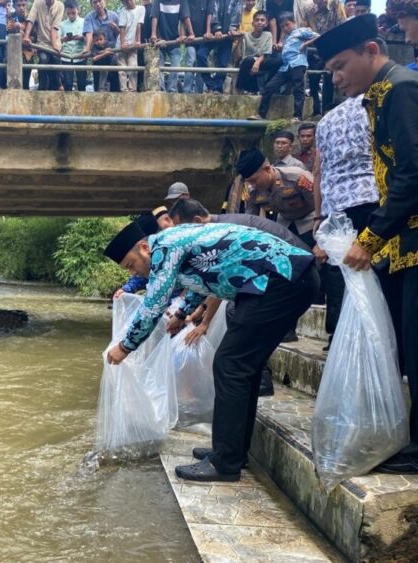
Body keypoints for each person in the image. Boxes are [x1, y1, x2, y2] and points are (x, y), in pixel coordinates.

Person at [104, 214, 318, 482]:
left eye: (131, 264)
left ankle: (225, 462)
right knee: (242, 367)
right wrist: (182, 314)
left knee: (231, 365)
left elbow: (153, 304)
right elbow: (200, 278)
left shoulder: (164, 248)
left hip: (281, 279)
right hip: (283, 280)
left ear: (144, 248)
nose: (133, 272)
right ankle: (232, 451)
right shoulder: (174, 242)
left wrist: (125, 347)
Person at [315, 12, 418, 473]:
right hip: (402, 243)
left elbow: (412, 175)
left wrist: (370, 238)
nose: (336, 78)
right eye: (331, 70)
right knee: (401, 342)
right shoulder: (377, 98)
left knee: (415, 346)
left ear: (371, 51)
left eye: (341, 65)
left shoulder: (401, 91)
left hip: (410, 240)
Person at [168, 197, 311, 396]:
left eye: (180, 229)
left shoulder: (219, 235)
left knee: (231, 355)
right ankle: (256, 381)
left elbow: (219, 283)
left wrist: (204, 323)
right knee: (237, 320)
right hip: (283, 272)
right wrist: (187, 313)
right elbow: (210, 284)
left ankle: (258, 382)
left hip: (294, 272)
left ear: (198, 221)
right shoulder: (216, 229)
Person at [311, 95, 378, 349]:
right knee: (374, 270)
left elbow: (319, 171)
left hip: (336, 207)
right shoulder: (375, 105)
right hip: (372, 197)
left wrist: (320, 215)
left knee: (338, 272)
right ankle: (374, 337)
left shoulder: (325, 122)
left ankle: (339, 336)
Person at [250, 12, 319, 121]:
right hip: (285, 67)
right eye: (283, 26)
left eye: (287, 24)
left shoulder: (301, 31)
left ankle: (297, 116)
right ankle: (261, 115)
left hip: (298, 64)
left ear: (294, 22)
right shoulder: (287, 37)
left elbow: (318, 36)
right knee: (269, 87)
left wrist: (305, 44)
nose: (285, 28)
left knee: (298, 90)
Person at [302, 0, 344, 115]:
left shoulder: (336, 7)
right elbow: (306, 31)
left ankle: (327, 110)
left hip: (331, 49)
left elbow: (340, 30)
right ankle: (315, 110)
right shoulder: (309, 11)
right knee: (313, 82)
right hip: (315, 50)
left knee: (330, 79)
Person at [196, 0, 241, 94]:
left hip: (227, 36)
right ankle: (210, 85)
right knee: (200, 54)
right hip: (212, 34)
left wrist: (232, 29)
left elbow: (237, 13)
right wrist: (216, 28)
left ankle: (217, 88)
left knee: (223, 63)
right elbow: (213, 10)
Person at [150, 0, 192, 94]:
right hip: (160, 39)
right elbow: (154, 17)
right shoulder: (158, 1)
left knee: (175, 66)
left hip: (174, 39)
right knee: (159, 65)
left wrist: (184, 34)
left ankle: (172, 89)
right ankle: (160, 89)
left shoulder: (181, 1)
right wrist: (154, 35)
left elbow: (185, 17)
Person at [23, 0, 64, 91]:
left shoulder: (60, 6)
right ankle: (42, 87)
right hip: (42, 43)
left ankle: (58, 84)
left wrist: (54, 45)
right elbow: (31, 19)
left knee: (56, 60)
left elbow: (54, 27)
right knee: (44, 60)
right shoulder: (37, 3)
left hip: (55, 41)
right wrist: (26, 36)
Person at [235, 9, 278, 93]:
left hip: (261, 61)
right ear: (253, 23)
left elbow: (266, 53)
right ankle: (240, 88)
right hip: (248, 62)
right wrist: (239, 41)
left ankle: (267, 87)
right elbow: (239, 56)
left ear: (266, 24)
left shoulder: (268, 35)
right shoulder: (246, 35)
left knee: (278, 62)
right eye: (257, 20)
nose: (259, 22)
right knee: (249, 60)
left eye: (262, 20)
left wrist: (257, 62)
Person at [83, 0, 120, 91]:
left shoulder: (114, 16)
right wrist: (87, 48)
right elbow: (89, 35)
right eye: (95, 2)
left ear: (104, 1)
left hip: (112, 55)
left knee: (114, 81)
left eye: (99, 1)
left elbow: (121, 35)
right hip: (98, 55)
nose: (98, 4)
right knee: (98, 82)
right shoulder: (89, 17)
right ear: (91, 4)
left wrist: (116, 28)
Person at [117, 0, 144, 92]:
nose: (128, 3)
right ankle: (124, 89)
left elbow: (138, 25)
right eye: (125, 2)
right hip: (122, 43)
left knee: (133, 66)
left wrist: (138, 40)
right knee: (122, 68)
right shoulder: (123, 11)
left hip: (133, 44)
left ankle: (133, 89)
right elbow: (122, 28)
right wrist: (122, 42)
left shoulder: (141, 9)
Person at [59, 0, 86, 91]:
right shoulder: (62, 24)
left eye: (73, 13)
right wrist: (65, 39)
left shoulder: (84, 22)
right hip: (66, 56)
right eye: (68, 13)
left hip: (81, 55)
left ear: (78, 10)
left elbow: (89, 38)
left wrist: (81, 38)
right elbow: (58, 40)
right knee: (67, 84)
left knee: (82, 83)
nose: (71, 15)